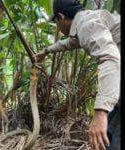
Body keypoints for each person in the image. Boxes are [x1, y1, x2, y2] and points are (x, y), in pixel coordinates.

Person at [35, 0, 120, 149]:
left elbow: (110, 59)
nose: (57, 26)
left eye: (56, 21)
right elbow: (71, 43)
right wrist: (46, 51)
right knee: (110, 131)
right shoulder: (86, 21)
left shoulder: (87, 25)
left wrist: (100, 112)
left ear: (61, 17)